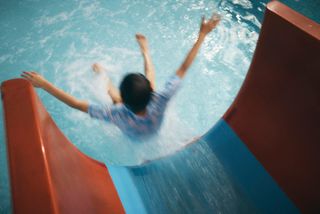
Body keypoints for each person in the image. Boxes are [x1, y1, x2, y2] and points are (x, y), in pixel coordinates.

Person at [22, 13, 220, 139]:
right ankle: (145, 52)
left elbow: (75, 103)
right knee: (148, 79)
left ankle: (105, 75)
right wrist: (202, 34)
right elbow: (184, 67)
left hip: (129, 122)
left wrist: (45, 84)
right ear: (151, 92)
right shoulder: (160, 99)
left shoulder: (116, 113)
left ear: (124, 101)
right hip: (149, 119)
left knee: (114, 97)